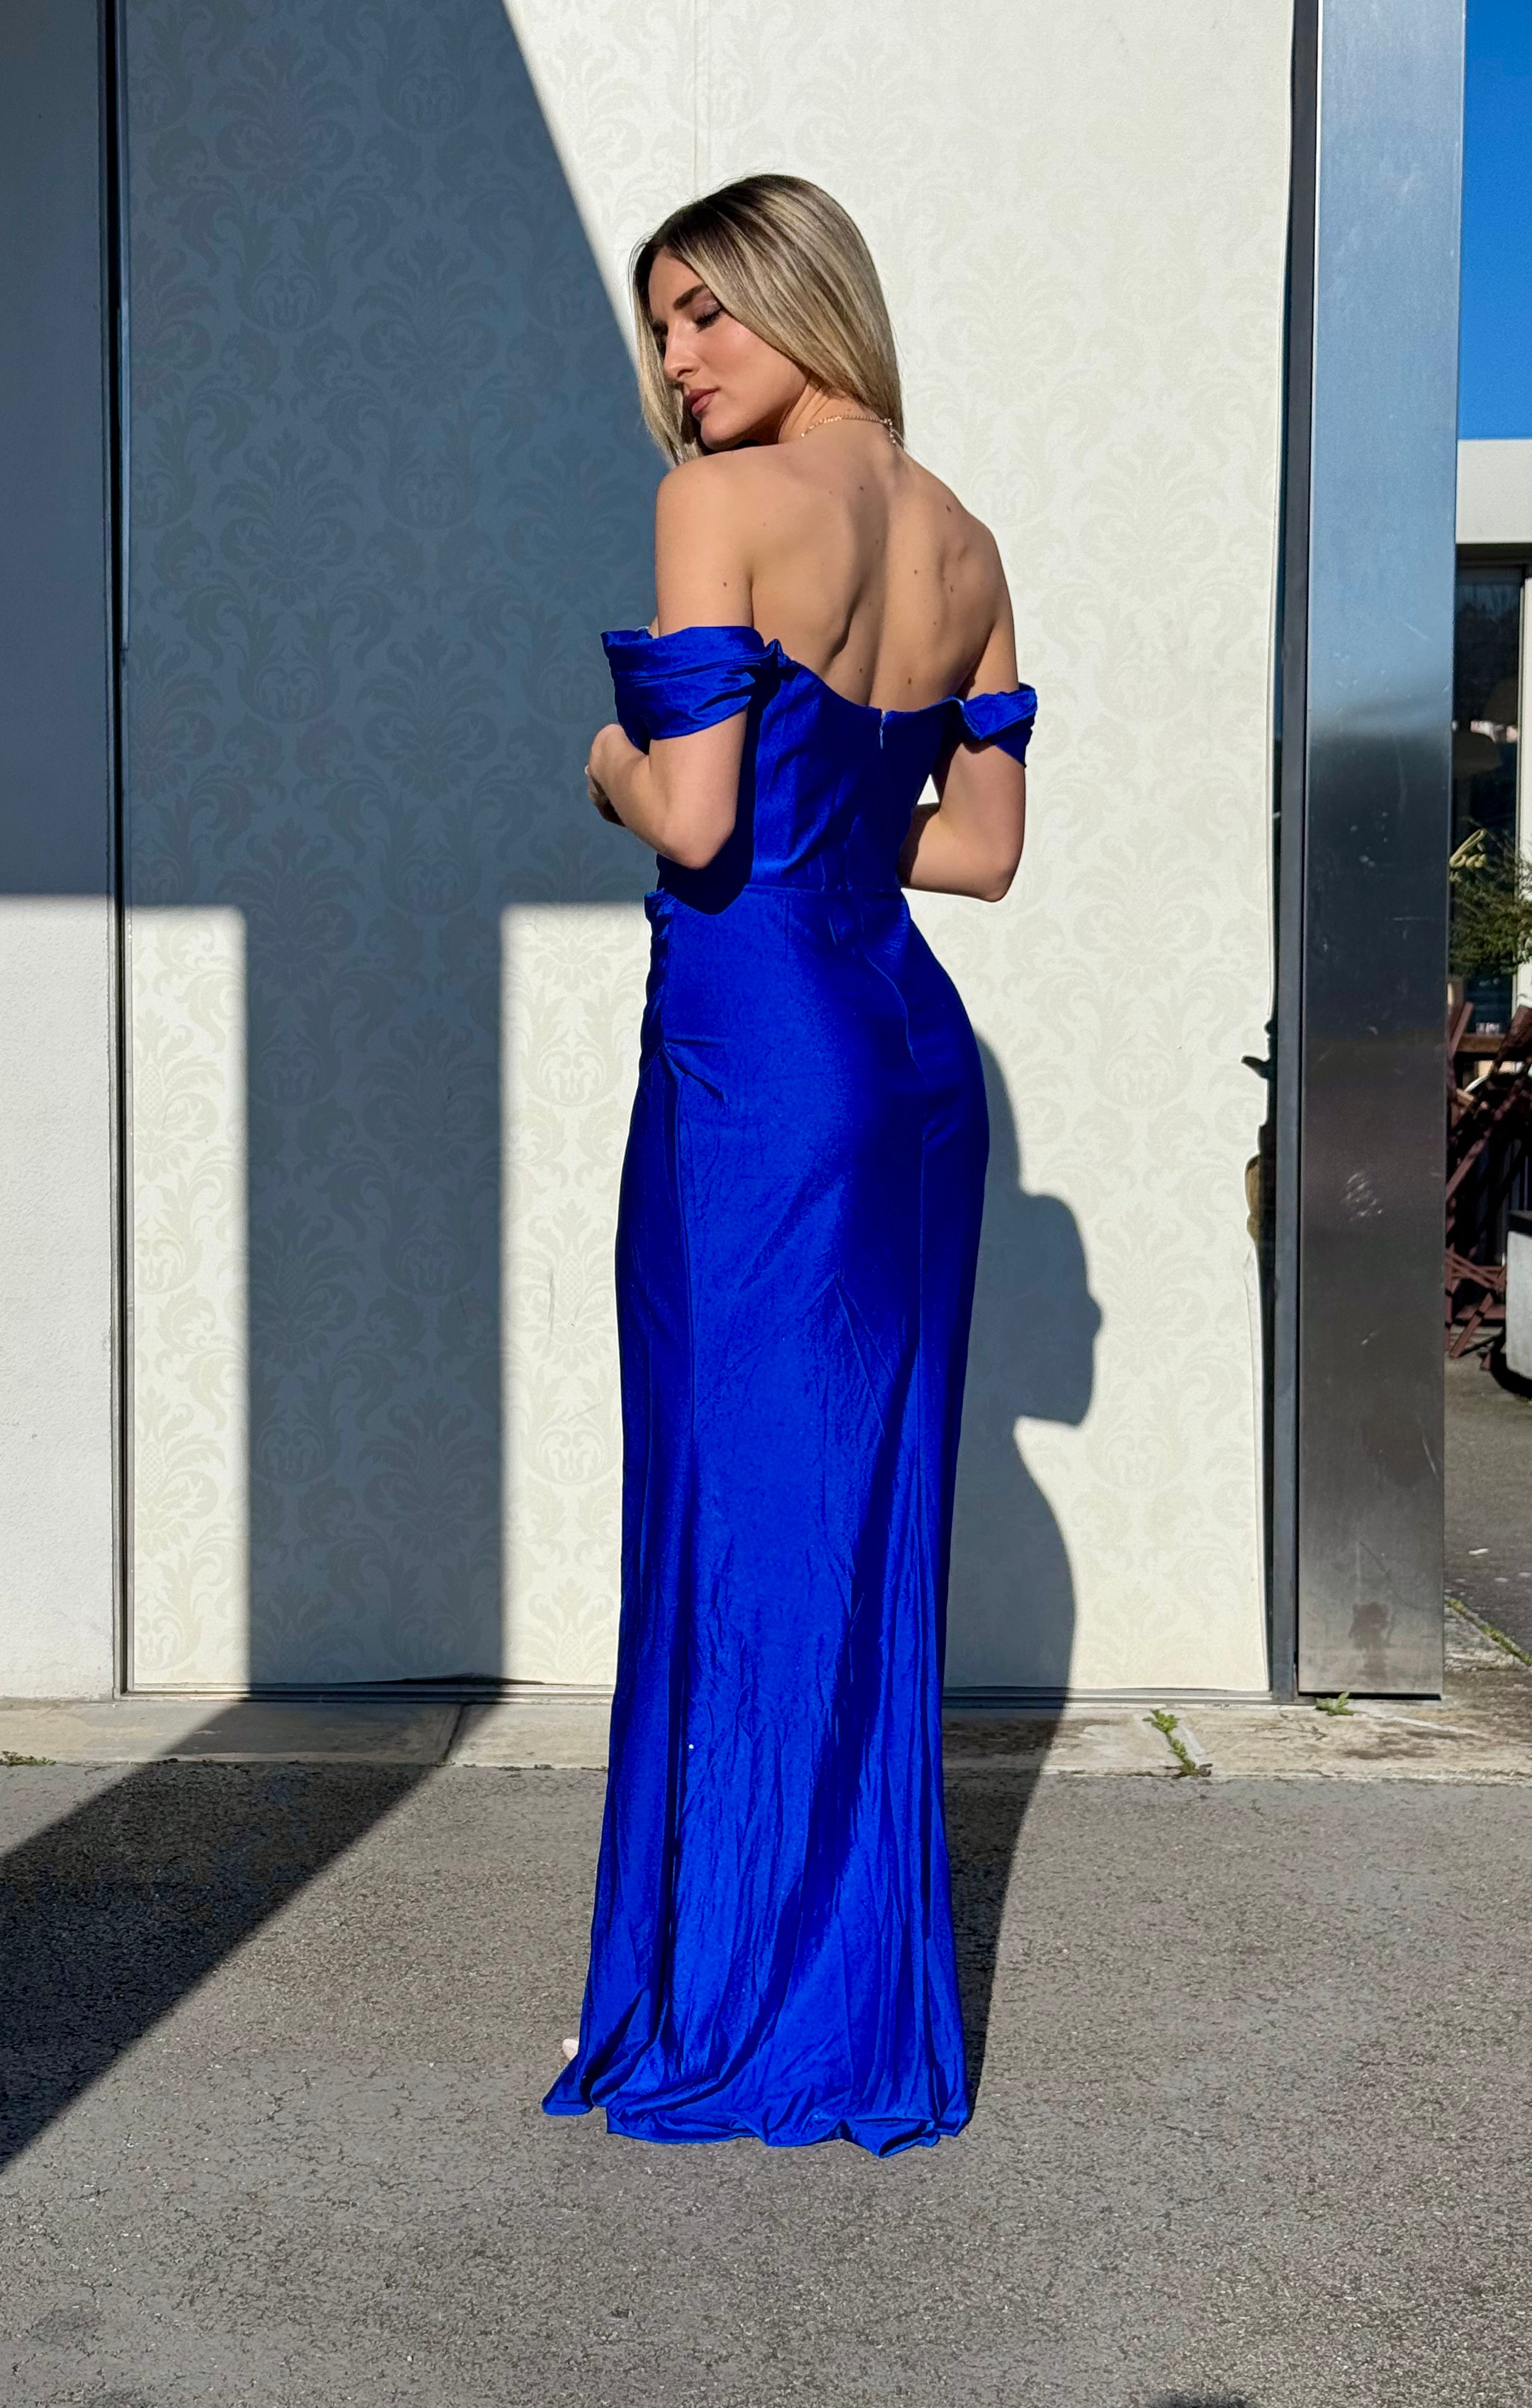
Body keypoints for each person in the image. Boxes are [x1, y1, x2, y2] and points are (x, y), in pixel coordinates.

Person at [541, 174, 1036, 2155]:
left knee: (740, 1511)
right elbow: (982, 852)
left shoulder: (720, 507)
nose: (678, 362)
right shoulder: (965, 539)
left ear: (803, 300)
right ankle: (846, 1994)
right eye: (662, 327)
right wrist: (831, 818)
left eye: (706, 315)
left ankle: (742, 2012)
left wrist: (601, 759)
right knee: (859, 1521)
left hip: (762, 1060)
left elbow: (688, 817)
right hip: (905, 1054)